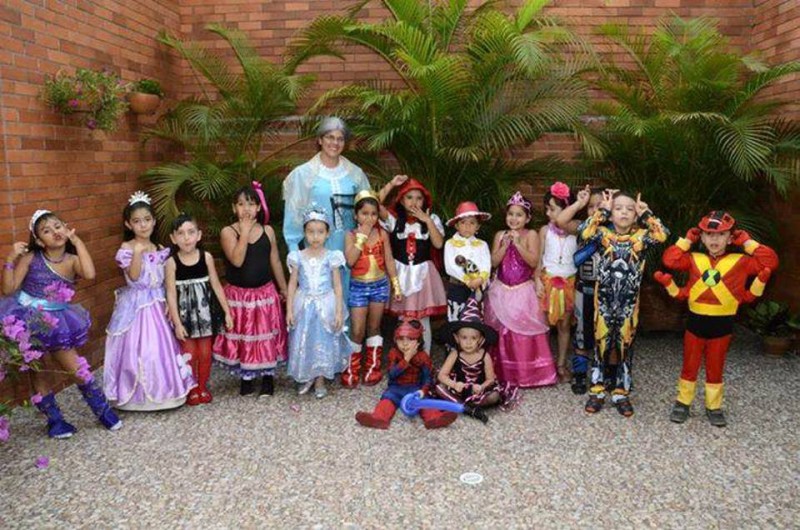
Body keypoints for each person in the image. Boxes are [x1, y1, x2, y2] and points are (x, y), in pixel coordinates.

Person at [1, 210, 121, 438]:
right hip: (28, 319)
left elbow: (90, 273)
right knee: (38, 370)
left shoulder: (72, 260)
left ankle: (102, 410)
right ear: (38, 240)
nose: (54, 232)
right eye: (46, 230)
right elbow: (8, 289)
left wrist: (77, 241)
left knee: (76, 368)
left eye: (58, 226)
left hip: (57, 321)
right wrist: (9, 260)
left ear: (66, 227)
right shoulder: (30, 258)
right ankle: (55, 421)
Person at [656, 211, 778, 427]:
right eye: (709, 234)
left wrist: (747, 242)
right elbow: (670, 260)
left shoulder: (741, 261)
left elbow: (770, 261)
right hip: (695, 323)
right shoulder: (694, 258)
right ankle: (683, 402)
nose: (714, 240)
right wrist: (687, 240)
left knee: (716, 367)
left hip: (722, 326)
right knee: (689, 365)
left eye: (721, 235)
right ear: (701, 237)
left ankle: (714, 406)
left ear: (731, 238)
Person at [578, 190, 668, 417]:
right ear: (612, 214)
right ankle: (597, 391)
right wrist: (603, 210)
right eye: (619, 208)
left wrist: (645, 213)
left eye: (629, 209)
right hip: (604, 305)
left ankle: (621, 393)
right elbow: (583, 231)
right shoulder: (602, 235)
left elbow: (663, 235)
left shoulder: (641, 239)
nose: (624, 212)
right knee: (600, 348)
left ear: (635, 215)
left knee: (625, 349)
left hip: (628, 307)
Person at [104, 192, 196, 411]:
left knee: (160, 348)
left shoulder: (160, 248)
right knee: (140, 349)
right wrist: (137, 252)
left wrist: (167, 302)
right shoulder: (127, 248)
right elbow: (134, 276)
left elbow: (164, 280)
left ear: (154, 221)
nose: (143, 225)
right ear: (128, 224)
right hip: (136, 305)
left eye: (147, 219)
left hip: (157, 301)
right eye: (137, 221)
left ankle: (165, 392)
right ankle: (136, 396)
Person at [282, 117, 370, 299]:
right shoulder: (303, 174)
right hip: (317, 247)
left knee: (347, 301)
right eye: (330, 137)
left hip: (350, 249)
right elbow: (293, 215)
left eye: (340, 138)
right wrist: (293, 250)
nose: (335, 143)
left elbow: (369, 207)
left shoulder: (355, 173)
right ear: (320, 140)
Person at [213, 184, 288, 398]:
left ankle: (267, 378)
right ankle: (246, 378)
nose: (246, 209)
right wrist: (244, 232)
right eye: (241, 204)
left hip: (265, 293)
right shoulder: (228, 232)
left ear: (258, 208)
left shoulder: (268, 230)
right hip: (240, 296)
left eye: (251, 203)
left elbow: (274, 260)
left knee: (265, 336)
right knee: (245, 336)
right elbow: (236, 260)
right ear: (234, 208)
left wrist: (283, 289)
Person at [485, 191, 556, 388]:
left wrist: (517, 244)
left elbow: (533, 261)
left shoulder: (531, 234)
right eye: (511, 214)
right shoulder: (500, 235)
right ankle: (503, 374)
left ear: (528, 218)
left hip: (523, 290)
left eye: (519, 215)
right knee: (502, 331)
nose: (514, 218)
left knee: (523, 333)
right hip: (501, 290)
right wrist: (505, 244)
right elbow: (493, 262)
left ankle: (528, 375)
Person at [165, 213, 233, 406]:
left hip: (204, 315)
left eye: (191, 232)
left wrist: (227, 311)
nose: (186, 238)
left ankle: (202, 386)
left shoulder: (206, 257)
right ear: (173, 238)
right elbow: (170, 293)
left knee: (204, 353)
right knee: (189, 353)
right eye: (181, 233)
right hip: (185, 317)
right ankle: (191, 388)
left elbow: (217, 285)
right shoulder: (171, 262)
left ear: (199, 235)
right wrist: (177, 323)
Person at [286, 206, 352, 399]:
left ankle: (320, 378)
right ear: (304, 233)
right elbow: (292, 284)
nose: (315, 237)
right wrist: (289, 309)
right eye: (311, 232)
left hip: (326, 302)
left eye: (320, 232)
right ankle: (308, 375)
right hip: (304, 304)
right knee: (305, 339)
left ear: (327, 233)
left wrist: (339, 311)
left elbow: (338, 286)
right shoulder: (297, 256)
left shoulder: (332, 256)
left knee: (323, 340)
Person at [378, 175, 447, 353]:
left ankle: (424, 357)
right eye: (409, 197)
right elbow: (371, 204)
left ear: (425, 200)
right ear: (400, 199)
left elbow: (438, 244)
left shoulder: (432, 220)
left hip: (424, 275)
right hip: (400, 274)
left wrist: (428, 221)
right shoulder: (394, 220)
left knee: (422, 319)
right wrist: (391, 184)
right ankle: (403, 357)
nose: (414, 202)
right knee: (403, 318)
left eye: (418, 198)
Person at [341, 190, 402, 388]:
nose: (369, 218)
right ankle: (351, 368)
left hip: (379, 286)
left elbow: (389, 260)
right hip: (358, 286)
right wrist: (362, 237)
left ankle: (373, 368)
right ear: (356, 215)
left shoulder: (383, 234)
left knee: (374, 327)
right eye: (364, 213)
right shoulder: (350, 235)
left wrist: (396, 285)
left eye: (373, 214)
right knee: (357, 330)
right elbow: (350, 261)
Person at [355, 319, 458, 429]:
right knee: (387, 400)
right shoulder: (393, 353)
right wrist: (406, 359)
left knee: (425, 402)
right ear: (395, 340)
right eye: (400, 339)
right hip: (396, 388)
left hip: (415, 389)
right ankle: (379, 418)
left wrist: (423, 391)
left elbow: (427, 378)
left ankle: (434, 419)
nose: (405, 343)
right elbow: (392, 375)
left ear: (418, 341)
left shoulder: (423, 357)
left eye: (410, 339)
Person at [554, 186, 605, 394]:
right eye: (591, 207)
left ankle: (605, 374)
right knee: (582, 335)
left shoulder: (618, 228)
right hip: (584, 290)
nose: (595, 210)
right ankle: (580, 374)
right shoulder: (584, 227)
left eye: (599, 205)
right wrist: (579, 203)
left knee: (607, 335)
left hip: (609, 293)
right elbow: (561, 222)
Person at [435, 298, 518, 415]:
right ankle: (466, 407)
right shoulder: (455, 354)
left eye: (473, 338)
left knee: (494, 396)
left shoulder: (485, 355)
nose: (468, 342)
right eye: (464, 338)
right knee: (439, 388)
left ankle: (463, 405)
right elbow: (441, 375)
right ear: (456, 338)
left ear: (481, 339)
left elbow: (490, 379)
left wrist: (481, 386)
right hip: (459, 389)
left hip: (478, 391)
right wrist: (454, 384)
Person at [536, 182, 578, 383]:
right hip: (547, 282)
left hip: (568, 283)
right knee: (544, 325)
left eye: (552, 209)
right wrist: (537, 279)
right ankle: (544, 364)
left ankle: (561, 363)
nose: (548, 213)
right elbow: (539, 258)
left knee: (564, 326)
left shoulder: (578, 231)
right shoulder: (545, 231)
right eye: (547, 209)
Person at [443, 201, 491, 322]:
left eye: (472, 223)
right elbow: (450, 267)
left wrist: (480, 279)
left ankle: (474, 340)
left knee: (475, 317)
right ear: (456, 225)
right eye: (463, 222)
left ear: (478, 226)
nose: (467, 226)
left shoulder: (482, 245)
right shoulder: (450, 244)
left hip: (478, 287)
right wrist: (467, 280)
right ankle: (455, 340)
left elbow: (487, 264)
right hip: (458, 286)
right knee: (456, 317)